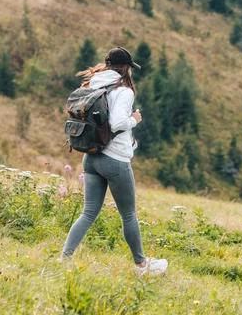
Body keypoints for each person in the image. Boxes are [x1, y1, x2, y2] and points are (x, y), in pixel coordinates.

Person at [60, 47, 168, 276]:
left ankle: (64, 258)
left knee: (88, 213)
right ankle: (141, 266)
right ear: (126, 68)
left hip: (90, 156)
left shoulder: (93, 84)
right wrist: (134, 119)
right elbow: (118, 123)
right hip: (115, 160)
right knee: (128, 215)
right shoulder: (124, 91)